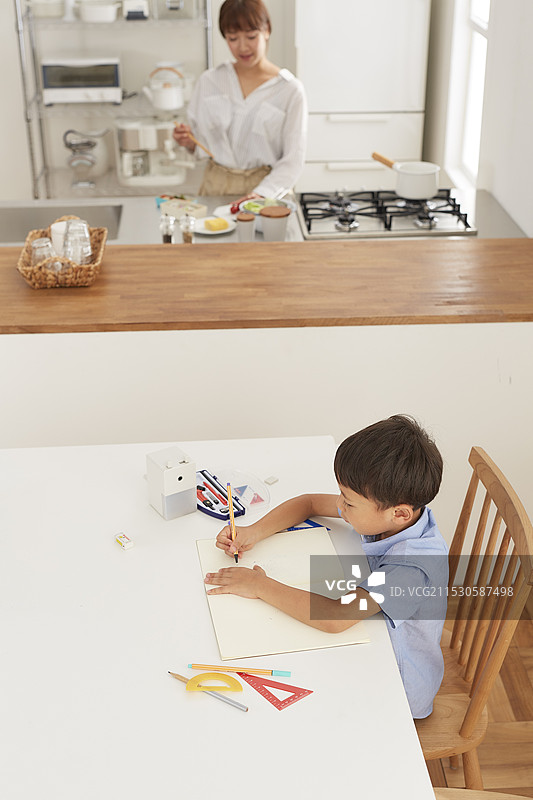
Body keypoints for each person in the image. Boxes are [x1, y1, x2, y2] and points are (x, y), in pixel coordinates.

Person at [204, 415, 449, 719]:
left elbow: (335, 618)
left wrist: (260, 586)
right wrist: (254, 531)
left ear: (399, 514)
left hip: (397, 689)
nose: (340, 507)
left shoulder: (412, 569)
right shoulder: (391, 513)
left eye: (349, 503)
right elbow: (308, 503)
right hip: (373, 645)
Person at [173, 0, 307, 201]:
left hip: (267, 189)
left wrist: (261, 194)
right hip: (216, 186)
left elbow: (293, 160)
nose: (243, 47)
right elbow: (199, 145)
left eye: (251, 36)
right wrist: (187, 140)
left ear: (267, 30)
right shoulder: (210, 81)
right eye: (233, 38)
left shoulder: (290, 90)